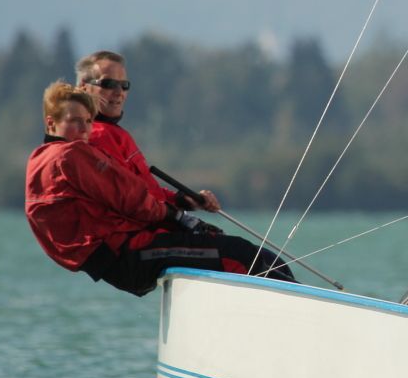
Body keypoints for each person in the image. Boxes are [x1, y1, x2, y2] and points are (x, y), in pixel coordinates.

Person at [25, 82, 294, 296]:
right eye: (75, 121)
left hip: (119, 256)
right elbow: (129, 196)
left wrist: (177, 211)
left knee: (236, 254)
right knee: (248, 258)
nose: (84, 129)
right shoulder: (70, 155)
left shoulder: (39, 161)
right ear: (51, 123)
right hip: (127, 254)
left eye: (87, 121)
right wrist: (177, 218)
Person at [75, 50, 220, 213]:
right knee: (235, 241)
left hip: (147, 229)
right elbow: (131, 199)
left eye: (124, 85)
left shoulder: (113, 133)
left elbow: (148, 191)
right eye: (108, 84)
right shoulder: (97, 135)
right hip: (135, 234)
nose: (119, 92)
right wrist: (174, 217)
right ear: (83, 86)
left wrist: (184, 200)